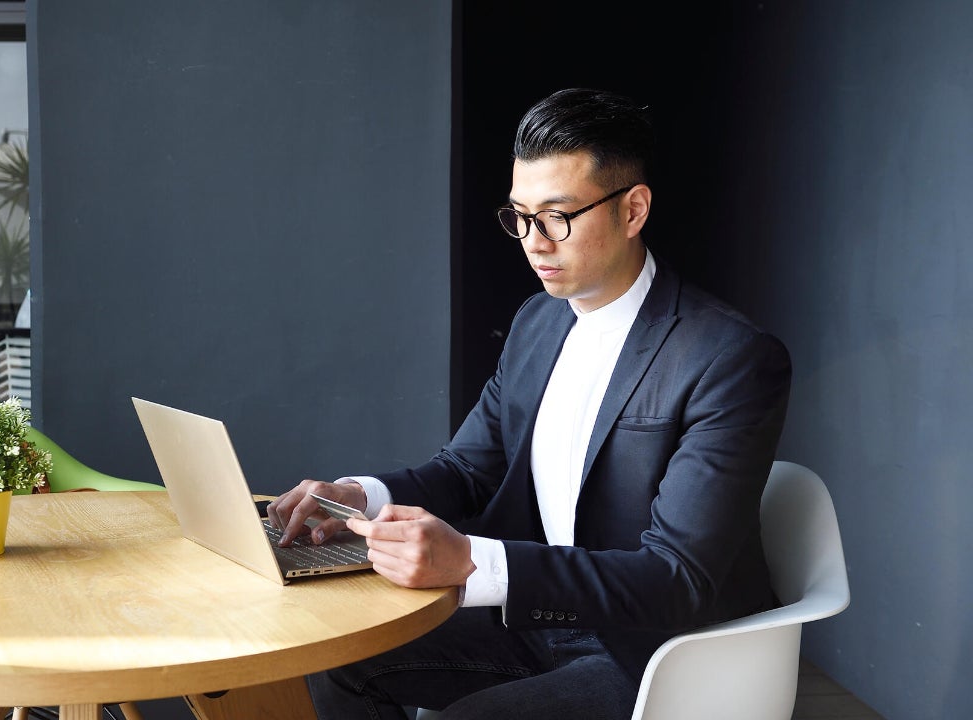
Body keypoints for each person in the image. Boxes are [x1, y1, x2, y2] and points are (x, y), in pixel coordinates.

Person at [266, 87, 792, 720]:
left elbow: (677, 578)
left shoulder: (727, 356)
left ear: (633, 210)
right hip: (537, 617)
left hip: (658, 652)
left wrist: (471, 559)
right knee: (336, 657)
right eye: (519, 216)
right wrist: (361, 494)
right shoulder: (538, 323)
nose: (534, 242)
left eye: (557, 216)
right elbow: (468, 469)